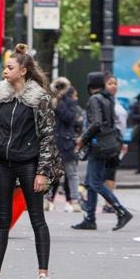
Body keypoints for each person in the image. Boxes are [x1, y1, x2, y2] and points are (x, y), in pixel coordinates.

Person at [0, 46, 60, 279]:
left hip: (29, 163)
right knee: (2, 220)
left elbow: (47, 137)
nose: (5, 71)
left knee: (37, 218)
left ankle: (43, 274)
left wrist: (43, 171)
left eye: (10, 67)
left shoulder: (39, 99)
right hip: (3, 163)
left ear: (23, 71)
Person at [73, 72, 133, 231]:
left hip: (97, 145)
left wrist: (82, 139)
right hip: (106, 144)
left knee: (95, 182)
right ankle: (90, 219)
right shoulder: (108, 99)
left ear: (90, 85)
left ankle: (121, 211)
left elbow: (97, 123)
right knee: (91, 183)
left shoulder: (95, 99)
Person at [50, 78, 82, 213]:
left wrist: (60, 103)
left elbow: (69, 118)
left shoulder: (69, 102)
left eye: (62, 87)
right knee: (51, 173)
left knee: (71, 173)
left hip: (66, 143)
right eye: (58, 87)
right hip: (53, 142)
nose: (60, 90)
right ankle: (47, 199)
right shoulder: (50, 101)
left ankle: (75, 200)